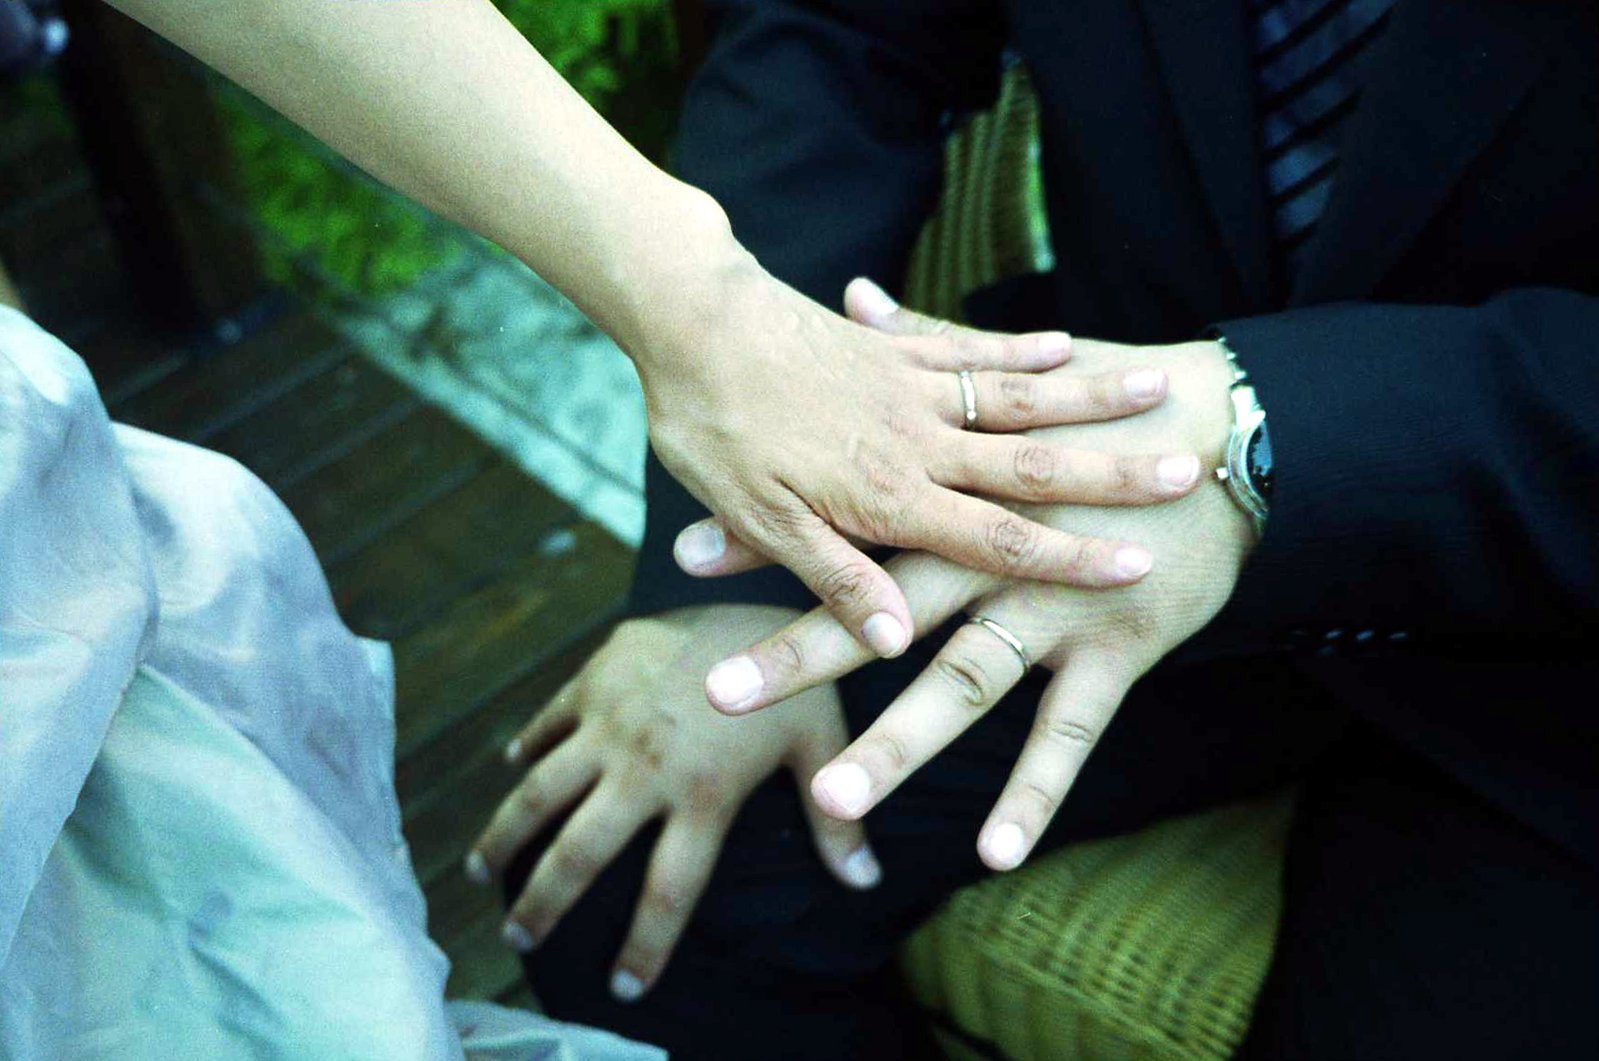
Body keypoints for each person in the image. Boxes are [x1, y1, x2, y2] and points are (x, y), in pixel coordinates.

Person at [0, 0, 1193, 1055]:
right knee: (607, 880)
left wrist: (1271, 440)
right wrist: (751, 517)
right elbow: (835, 35)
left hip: (1344, 585)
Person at [481, 1, 1599, 1057]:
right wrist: (764, 537)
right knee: (618, 871)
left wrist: (1294, 434)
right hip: (1099, 477)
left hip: (1551, 650)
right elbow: (835, 31)